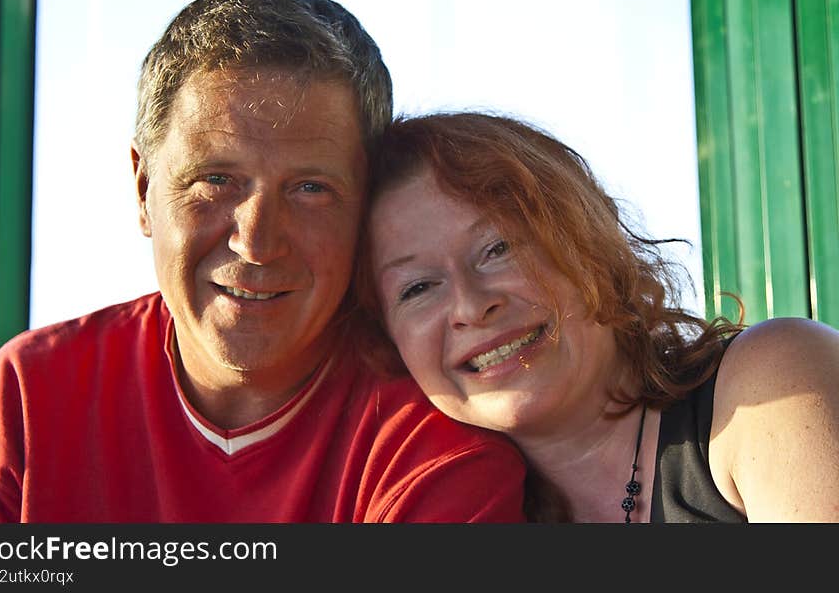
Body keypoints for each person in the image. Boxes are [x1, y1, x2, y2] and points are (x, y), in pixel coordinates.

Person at [0, 0, 527, 522]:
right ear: (142, 189)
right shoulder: (28, 402)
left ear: (366, 208)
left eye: (310, 189)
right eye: (216, 180)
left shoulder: (439, 439)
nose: (256, 241)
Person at [357, 111, 839, 522]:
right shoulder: (460, 510)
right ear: (388, 344)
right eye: (417, 288)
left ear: (585, 244)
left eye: (497, 249)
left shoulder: (775, 380)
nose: (469, 305)